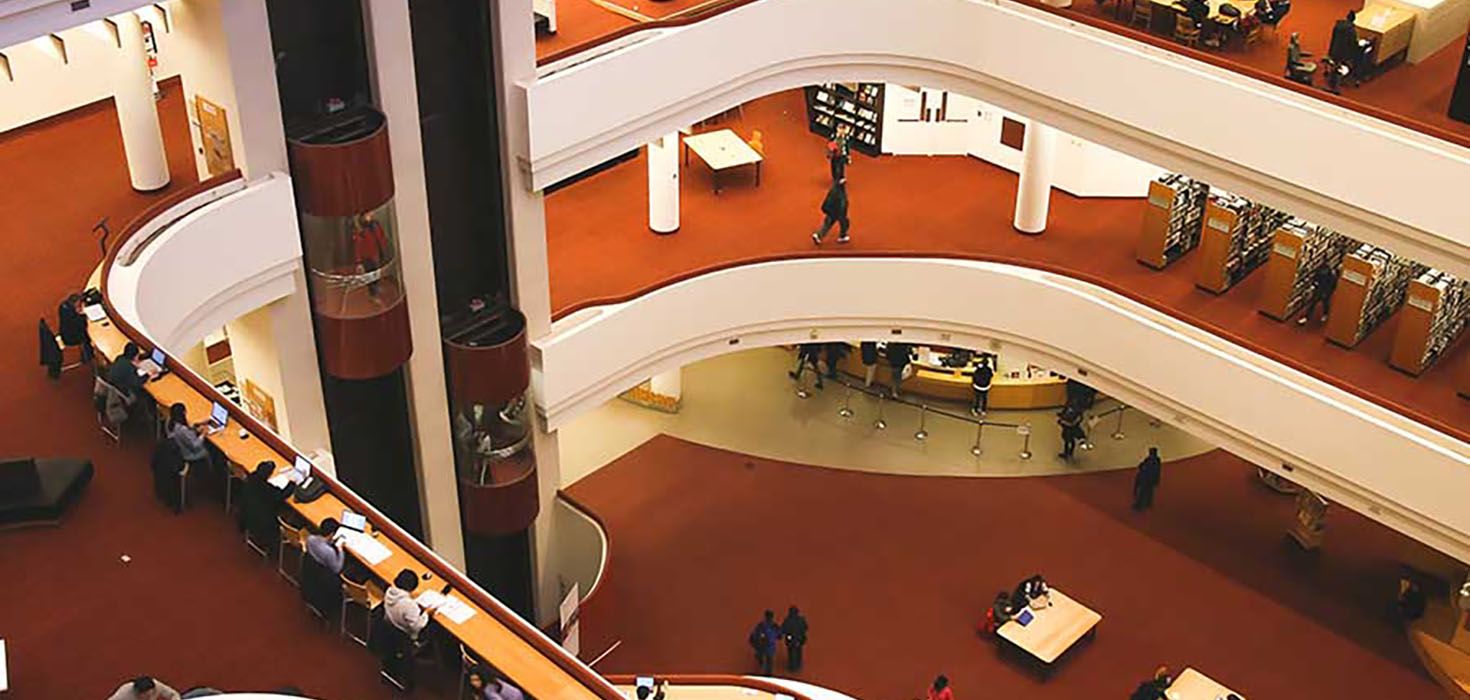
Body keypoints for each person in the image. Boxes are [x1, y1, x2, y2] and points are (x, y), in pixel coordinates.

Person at [239, 460, 289, 547]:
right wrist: (292, 484)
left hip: (248, 516)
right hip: (264, 526)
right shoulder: (267, 489)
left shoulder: (250, 478)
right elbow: (280, 496)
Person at [385, 567, 439, 640]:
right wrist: (427, 613)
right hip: (406, 634)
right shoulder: (408, 605)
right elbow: (417, 626)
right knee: (437, 628)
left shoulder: (389, 591)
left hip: (392, 624)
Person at [165, 402, 211, 477]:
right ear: (183, 413)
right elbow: (196, 445)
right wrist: (203, 434)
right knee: (211, 448)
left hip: (181, 449)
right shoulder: (182, 430)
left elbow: (186, 433)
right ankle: (210, 474)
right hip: (189, 453)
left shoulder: (171, 422)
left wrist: (196, 427)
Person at [352, 212, 389, 297]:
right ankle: (373, 293)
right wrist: (359, 262)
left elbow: (381, 235)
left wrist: (383, 246)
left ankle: (376, 288)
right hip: (367, 256)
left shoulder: (375, 224)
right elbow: (357, 247)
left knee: (376, 272)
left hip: (377, 253)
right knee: (370, 274)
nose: (371, 215)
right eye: (368, 214)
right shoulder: (360, 230)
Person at [1328, 10, 1362, 92]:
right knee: (1358, 56)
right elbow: (1353, 44)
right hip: (1344, 54)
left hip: (1334, 50)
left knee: (1337, 63)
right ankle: (1338, 82)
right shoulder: (1351, 30)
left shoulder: (1338, 25)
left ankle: (1333, 78)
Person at [811, 178, 850, 245]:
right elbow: (843, 204)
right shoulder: (840, 194)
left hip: (831, 211)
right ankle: (842, 236)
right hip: (838, 212)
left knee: (827, 225)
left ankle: (818, 235)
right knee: (844, 223)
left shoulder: (833, 190)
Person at [58, 293, 93, 362]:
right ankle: (88, 357)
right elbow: (83, 324)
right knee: (86, 336)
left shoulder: (63, 306)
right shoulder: (73, 316)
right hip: (71, 338)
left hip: (64, 332)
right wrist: (82, 315)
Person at [748, 610, 781, 676]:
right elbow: (779, 635)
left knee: (768, 660)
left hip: (768, 647)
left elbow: (779, 634)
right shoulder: (767, 626)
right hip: (766, 646)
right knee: (767, 660)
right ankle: (766, 672)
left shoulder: (771, 626)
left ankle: (767, 673)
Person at [1133, 447, 1163, 511]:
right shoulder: (1156, 460)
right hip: (1151, 479)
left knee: (1143, 492)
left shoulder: (1150, 460)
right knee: (1149, 491)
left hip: (1146, 478)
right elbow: (1157, 471)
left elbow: (1144, 467)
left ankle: (1140, 506)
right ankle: (1148, 503)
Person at [781, 605, 809, 672]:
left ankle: (793, 666)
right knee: (797, 652)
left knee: (792, 652)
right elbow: (805, 627)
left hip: (792, 638)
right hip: (797, 638)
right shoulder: (800, 619)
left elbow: (783, 629)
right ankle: (797, 666)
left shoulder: (788, 620)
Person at [107, 676, 182, 700]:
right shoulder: (124, 693)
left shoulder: (156, 686)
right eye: (146, 696)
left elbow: (174, 694)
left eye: (151, 695)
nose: (149, 698)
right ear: (138, 692)